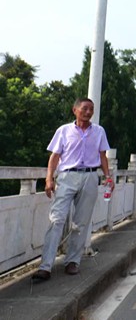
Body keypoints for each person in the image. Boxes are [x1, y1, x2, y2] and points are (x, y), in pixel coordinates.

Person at [32, 98, 113, 282]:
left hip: (90, 176)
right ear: (75, 110)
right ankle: (45, 266)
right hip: (67, 177)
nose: (88, 112)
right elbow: (55, 156)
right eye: (84, 108)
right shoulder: (64, 130)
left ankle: (72, 261)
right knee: (56, 219)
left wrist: (108, 177)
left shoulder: (99, 131)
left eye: (91, 109)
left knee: (81, 222)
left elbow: (102, 156)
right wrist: (48, 179)